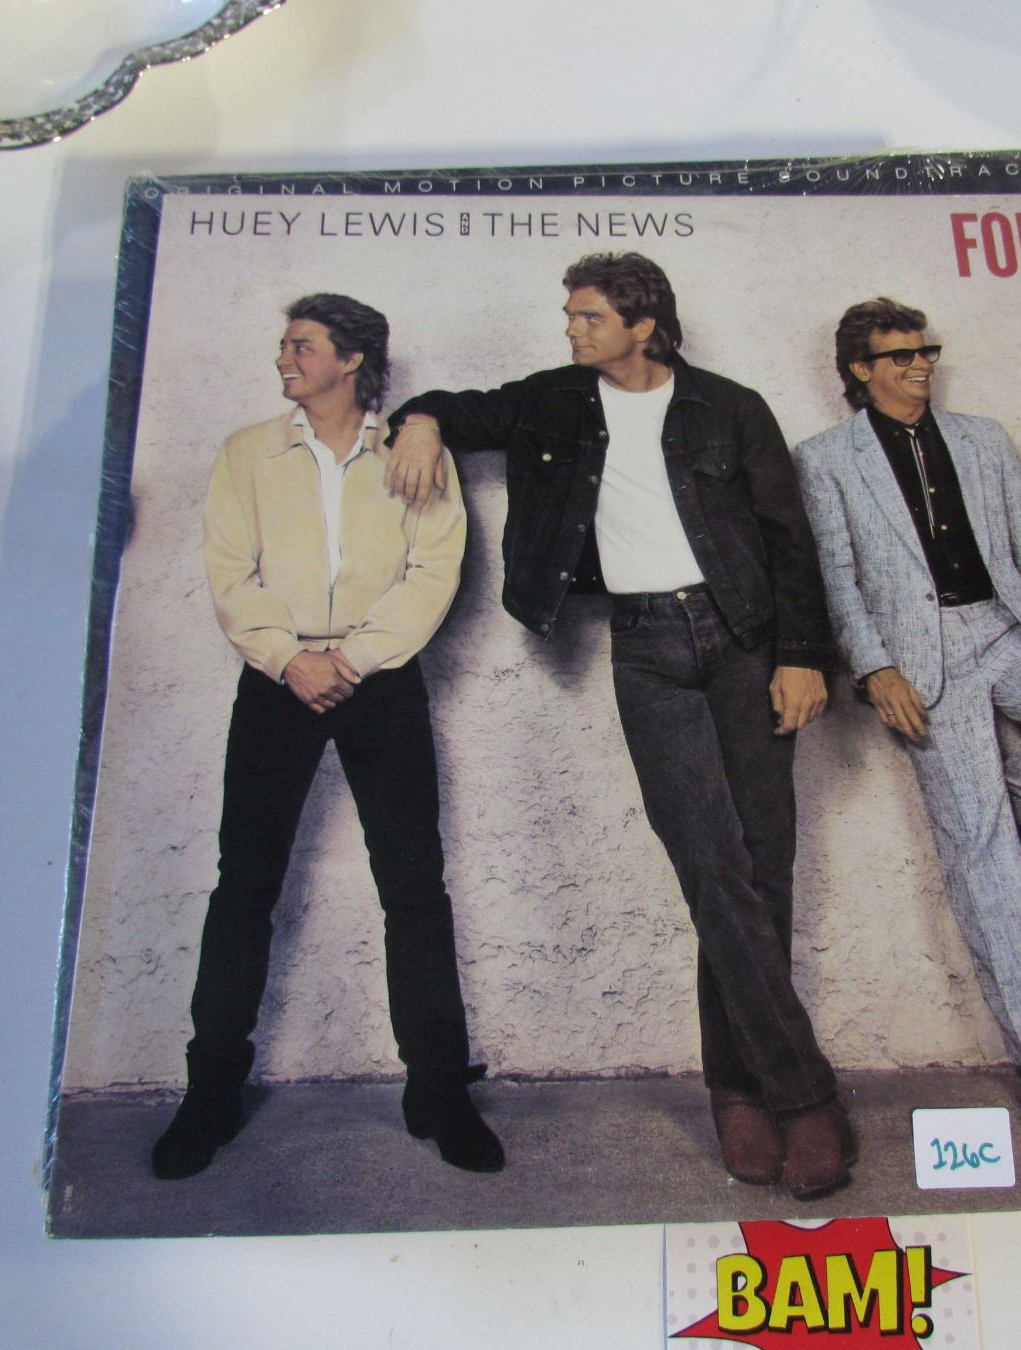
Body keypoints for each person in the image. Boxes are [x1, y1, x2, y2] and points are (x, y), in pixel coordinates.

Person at [382, 252, 852, 1199]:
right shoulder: (553, 401)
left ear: (644, 325)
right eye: (570, 315)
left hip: (748, 641)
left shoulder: (731, 408)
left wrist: (803, 654)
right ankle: (801, 1095)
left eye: (589, 316)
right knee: (710, 865)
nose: (571, 329)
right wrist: (421, 420)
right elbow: (455, 408)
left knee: (764, 864)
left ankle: (736, 1088)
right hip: (646, 650)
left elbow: (789, 539)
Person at [151, 293, 502, 1181]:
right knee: (244, 886)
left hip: (380, 682)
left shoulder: (412, 452)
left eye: (301, 345)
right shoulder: (247, 453)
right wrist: (288, 659)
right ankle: (211, 1093)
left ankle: (438, 1092)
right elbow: (231, 572)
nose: (284, 358)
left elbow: (435, 569)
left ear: (351, 360)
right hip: (278, 682)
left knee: (414, 888)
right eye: (284, 345)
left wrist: (353, 658)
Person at [791, 298, 1021, 1135]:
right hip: (920, 663)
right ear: (860, 371)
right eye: (900, 356)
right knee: (981, 859)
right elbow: (835, 576)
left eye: (925, 350)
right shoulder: (825, 460)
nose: (920, 366)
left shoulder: (983, 439)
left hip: (1008, 630)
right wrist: (875, 668)